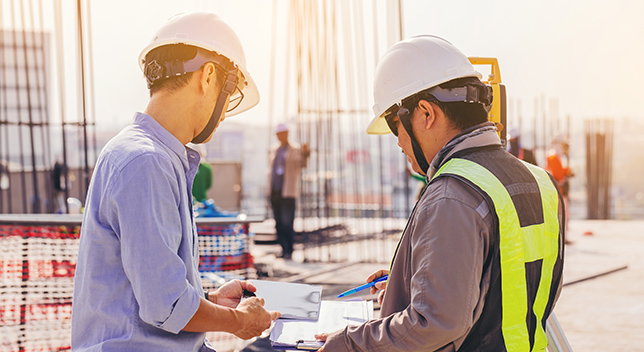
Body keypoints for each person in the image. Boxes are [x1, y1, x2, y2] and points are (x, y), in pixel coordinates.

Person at [316, 35, 565, 351]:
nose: (397, 142)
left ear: (425, 114)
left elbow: (435, 323)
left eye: (395, 127)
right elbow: (511, 282)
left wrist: (349, 343)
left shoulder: (451, 195)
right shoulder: (540, 181)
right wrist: (411, 279)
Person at [71, 12, 279, 351]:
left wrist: (209, 299)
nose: (225, 113)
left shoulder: (149, 155)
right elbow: (165, 305)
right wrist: (240, 321)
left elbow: (149, 291)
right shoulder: (146, 162)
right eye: (231, 95)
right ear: (208, 76)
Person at [267, 123, 310, 260]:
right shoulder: (274, 150)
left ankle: (289, 250)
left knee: (287, 222)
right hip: (275, 191)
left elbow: (302, 164)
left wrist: (305, 154)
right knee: (278, 223)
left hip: (288, 192)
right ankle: (283, 249)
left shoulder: (295, 149)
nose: (281, 136)